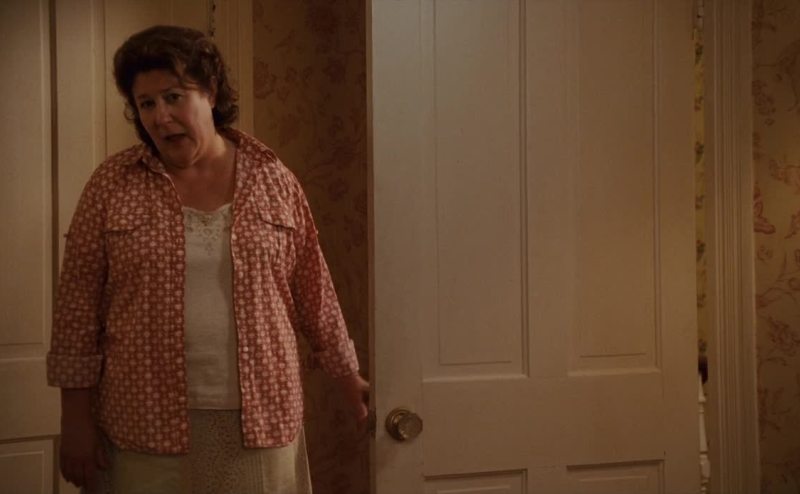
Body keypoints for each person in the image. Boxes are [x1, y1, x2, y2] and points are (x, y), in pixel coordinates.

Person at [46, 25, 368, 494]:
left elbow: (314, 290)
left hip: (261, 420)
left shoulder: (273, 179)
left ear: (211, 92)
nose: (160, 116)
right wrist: (73, 419)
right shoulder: (112, 185)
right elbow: (76, 309)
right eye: (146, 103)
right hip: (141, 422)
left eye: (174, 97)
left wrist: (348, 377)